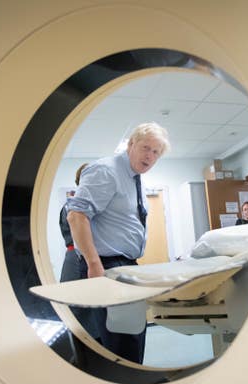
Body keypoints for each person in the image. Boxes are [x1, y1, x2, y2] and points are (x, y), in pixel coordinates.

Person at [66, 122, 170, 364]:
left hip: (124, 265)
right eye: (146, 148)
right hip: (107, 266)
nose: (150, 156)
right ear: (131, 143)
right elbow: (76, 215)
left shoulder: (133, 178)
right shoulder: (107, 170)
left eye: (156, 152)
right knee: (121, 343)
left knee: (131, 337)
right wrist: (94, 264)